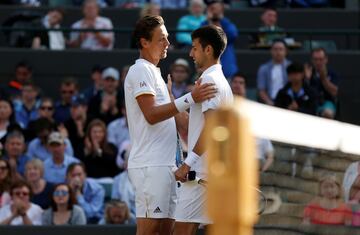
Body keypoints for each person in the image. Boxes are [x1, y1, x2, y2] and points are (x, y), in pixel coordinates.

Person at [124, 15, 216, 235]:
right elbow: (152, 115)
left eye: (167, 38)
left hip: (168, 166)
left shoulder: (157, 75)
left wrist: (208, 114)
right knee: (149, 229)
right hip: (150, 165)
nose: (168, 44)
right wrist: (190, 98)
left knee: (168, 229)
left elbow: (180, 122)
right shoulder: (139, 70)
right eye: (161, 39)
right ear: (144, 42)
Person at [173, 25, 234, 235]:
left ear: (208, 50)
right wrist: (172, 104)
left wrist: (186, 165)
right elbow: (197, 125)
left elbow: (212, 129)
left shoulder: (210, 79)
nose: (191, 53)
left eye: (195, 48)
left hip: (201, 173)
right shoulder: (222, 81)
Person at [201, 0, 238, 78]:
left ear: (222, 8)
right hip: (209, 72)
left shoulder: (227, 24)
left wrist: (221, 19)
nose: (213, 10)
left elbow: (233, 34)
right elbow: (201, 38)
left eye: (216, 7)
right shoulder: (204, 24)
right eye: (211, 8)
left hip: (227, 71)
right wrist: (209, 21)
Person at [304, 48, 339, 119]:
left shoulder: (332, 73)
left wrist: (324, 79)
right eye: (315, 59)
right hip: (309, 102)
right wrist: (307, 79)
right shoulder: (307, 72)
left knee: (328, 113)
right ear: (312, 60)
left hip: (326, 102)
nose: (318, 62)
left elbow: (334, 92)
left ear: (326, 59)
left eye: (321, 59)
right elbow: (302, 91)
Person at [257, 39, 291, 105]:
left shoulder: (291, 67)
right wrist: (270, 103)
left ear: (286, 51)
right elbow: (261, 90)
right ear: (271, 51)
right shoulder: (263, 68)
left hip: (288, 103)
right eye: (275, 49)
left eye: (281, 49)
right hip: (270, 102)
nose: (278, 52)